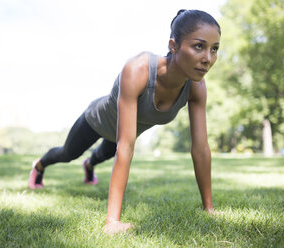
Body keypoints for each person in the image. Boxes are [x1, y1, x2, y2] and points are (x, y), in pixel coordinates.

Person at [29, 9, 221, 234]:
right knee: (68, 153)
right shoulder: (138, 70)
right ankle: (39, 165)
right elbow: (126, 146)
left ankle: (89, 166)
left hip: (122, 132)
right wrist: (112, 221)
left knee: (100, 156)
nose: (208, 58)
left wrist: (209, 208)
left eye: (214, 49)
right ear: (173, 45)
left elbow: (200, 148)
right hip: (97, 120)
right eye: (199, 46)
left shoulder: (196, 87)